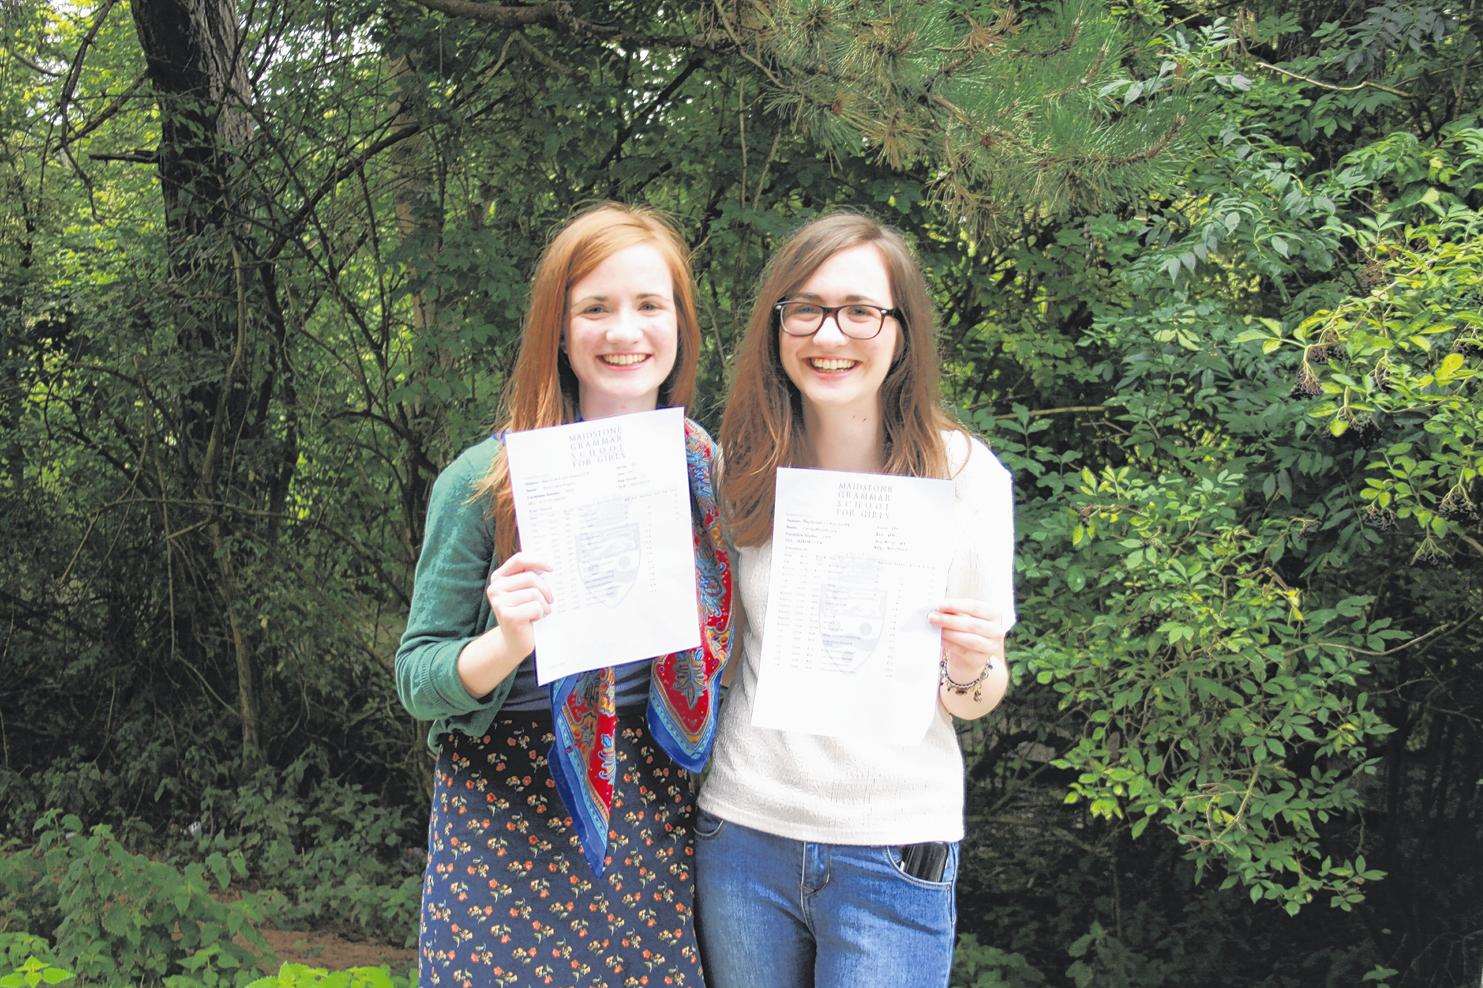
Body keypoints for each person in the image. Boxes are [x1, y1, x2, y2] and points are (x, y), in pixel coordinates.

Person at [394, 203, 731, 987]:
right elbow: (418, 678)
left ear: (679, 323)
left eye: (649, 306)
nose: (624, 332)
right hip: (503, 803)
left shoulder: (703, 470)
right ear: (558, 327)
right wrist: (506, 641)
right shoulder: (487, 481)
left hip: (653, 804)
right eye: (595, 308)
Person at [696, 212, 1015, 987]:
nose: (829, 335)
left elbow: (975, 696)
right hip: (743, 833)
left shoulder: (965, 476)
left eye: (860, 311)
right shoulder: (736, 468)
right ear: (776, 326)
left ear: (900, 329)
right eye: (804, 309)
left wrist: (970, 666)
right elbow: (718, 654)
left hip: (892, 847)